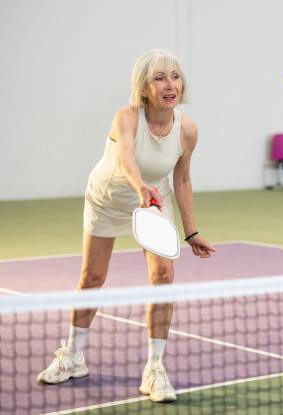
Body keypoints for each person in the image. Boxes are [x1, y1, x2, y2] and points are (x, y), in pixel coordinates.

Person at [36, 49, 215, 403]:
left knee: (163, 277)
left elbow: (182, 179)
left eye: (175, 76)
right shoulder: (127, 117)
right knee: (92, 277)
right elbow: (127, 158)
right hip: (109, 197)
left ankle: (155, 368)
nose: (170, 84)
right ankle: (73, 355)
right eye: (160, 77)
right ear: (144, 87)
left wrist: (190, 231)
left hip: (154, 199)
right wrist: (139, 189)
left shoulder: (188, 130)